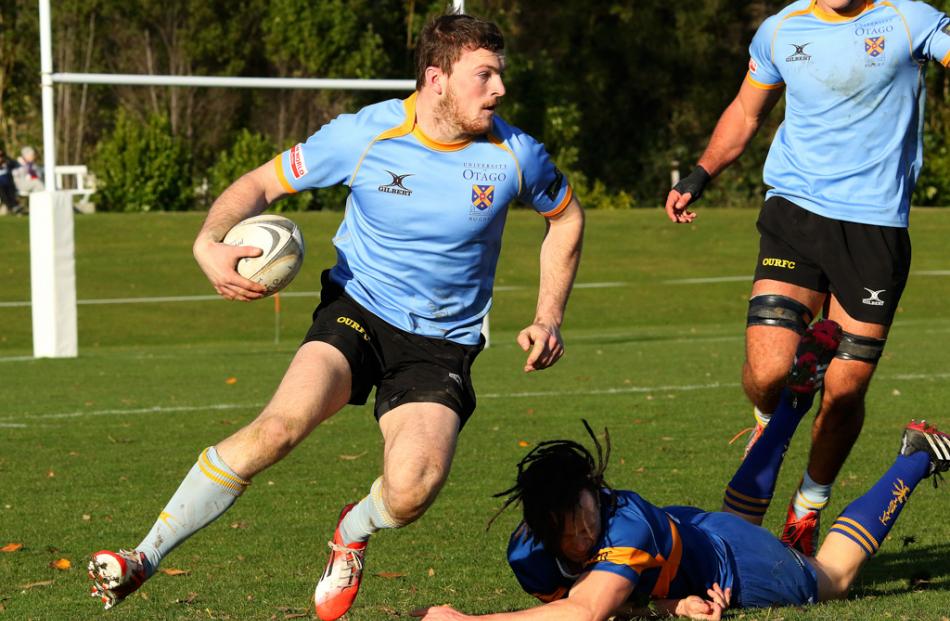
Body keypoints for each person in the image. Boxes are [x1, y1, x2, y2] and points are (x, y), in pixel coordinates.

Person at [87, 13, 584, 620]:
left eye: (499, 75)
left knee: (411, 491)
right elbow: (260, 184)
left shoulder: (516, 155)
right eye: (484, 76)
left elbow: (567, 218)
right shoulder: (365, 135)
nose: (499, 89)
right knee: (277, 428)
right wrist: (208, 240)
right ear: (436, 79)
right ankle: (143, 556)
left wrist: (548, 315)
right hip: (357, 311)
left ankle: (352, 529)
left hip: (440, 345)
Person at [411, 321, 950, 620]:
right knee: (738, 511)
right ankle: (794, 398)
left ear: (596, 493)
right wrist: (670, 608)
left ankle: (918, 453)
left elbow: (587, 612)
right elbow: (601, 609)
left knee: (831, 578)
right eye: (565, 529)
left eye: (584, 515)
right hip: (689, 536)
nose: (582, 535)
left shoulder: (621, 525)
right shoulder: (527, 552)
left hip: (729, 563)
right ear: (537, 528)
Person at [663, 0, 950, 556]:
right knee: (770, 370)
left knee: (843, 392)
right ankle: (768, 422)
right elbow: (746, 113)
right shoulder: (782, 29)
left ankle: (806, 509)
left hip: (874, 232)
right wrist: (701, 173)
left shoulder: (909, 17)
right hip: (795, 214)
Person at [0, 149, 19, 215]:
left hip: (8, 183)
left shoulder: (7, 163)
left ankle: (14, 206)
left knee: (11, 189)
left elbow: (15, 165)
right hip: (1, 185)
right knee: (2, 190)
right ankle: (10, 207)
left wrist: (7, 161)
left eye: (2, 155)